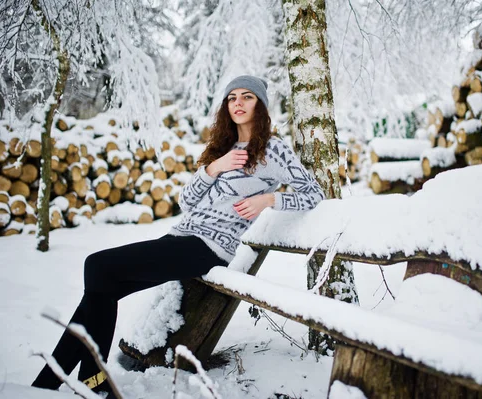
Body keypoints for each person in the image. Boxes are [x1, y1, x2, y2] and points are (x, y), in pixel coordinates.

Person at [31, 75, 325, 397]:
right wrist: (214, 168)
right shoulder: (223, 149)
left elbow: (314, 194)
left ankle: (84, 379)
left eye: (247, 97)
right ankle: (54, 383)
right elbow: (185, 202)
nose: (238, 103)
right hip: (182, 237)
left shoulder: (274, 151)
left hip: (209, 248)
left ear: (261, 105)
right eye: (232, 98)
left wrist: (267, 200)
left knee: (97, 266)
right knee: (102, 288)